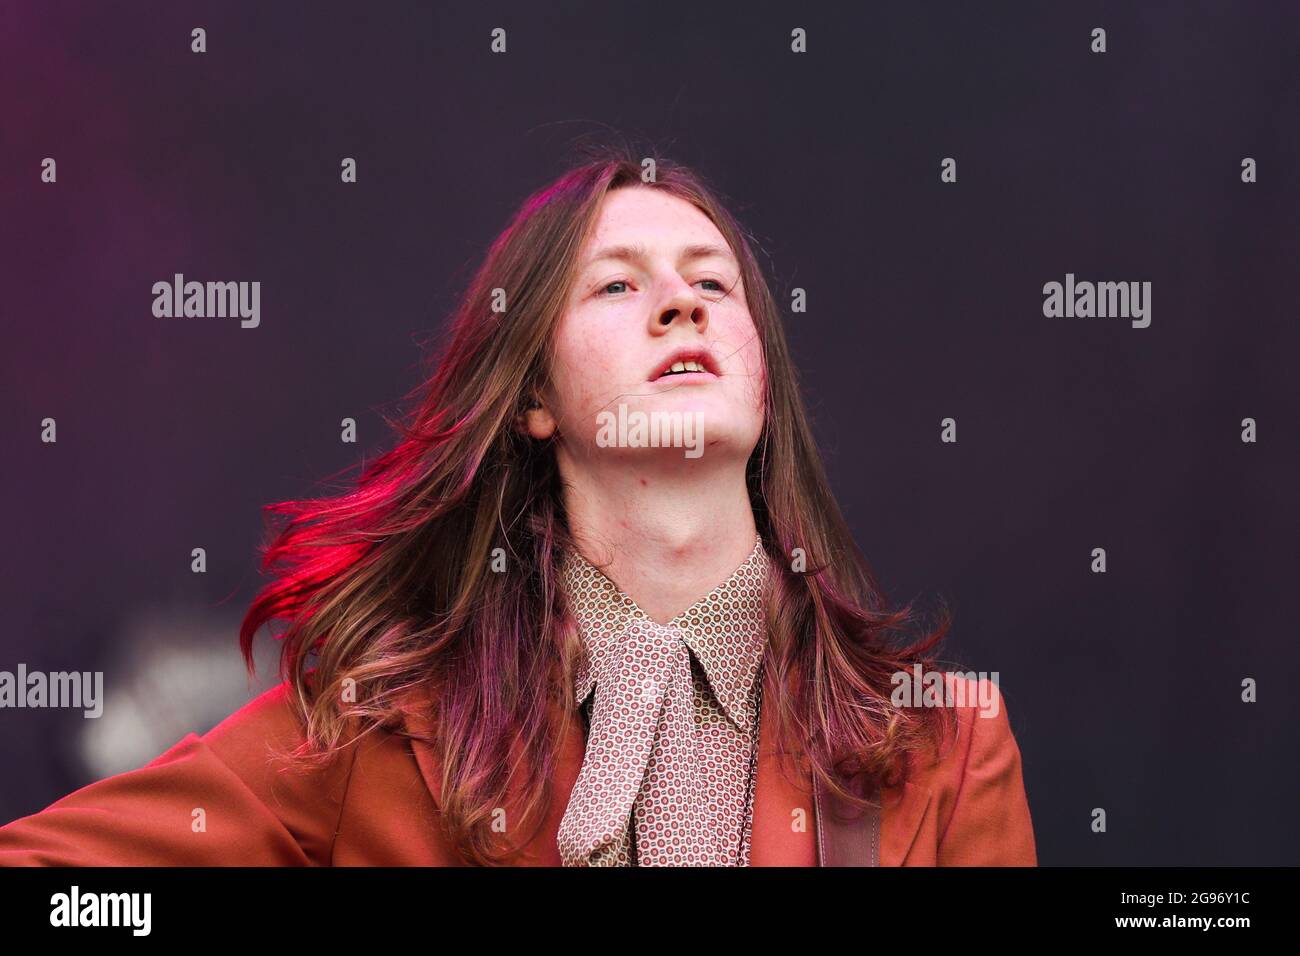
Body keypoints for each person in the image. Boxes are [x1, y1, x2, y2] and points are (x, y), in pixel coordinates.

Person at [0, 147, 1036, 866]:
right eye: (617, 287)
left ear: (764, 381)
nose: (682, 302)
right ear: (534, 397)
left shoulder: (940, 745)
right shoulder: (383, 732)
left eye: (714, 284)